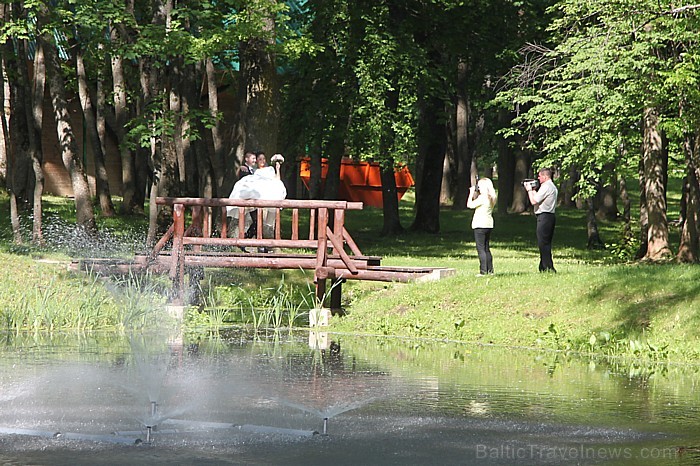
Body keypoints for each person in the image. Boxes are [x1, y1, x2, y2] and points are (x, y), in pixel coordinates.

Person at [525, 167, 558, 272]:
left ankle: (548, 267)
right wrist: (534, 189)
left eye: (539, 176)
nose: (538, 178)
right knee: (545, 242)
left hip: (544, 216)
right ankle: (543, 266)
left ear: (545, 176)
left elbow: (534, 201)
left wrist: (529, 190)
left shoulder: (546, 187)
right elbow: (538, 198)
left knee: (543, 243)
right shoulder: (550, 186)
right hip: (549, 216)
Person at [467, 177, 496, 276]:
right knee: (486, 248)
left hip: (480, 224)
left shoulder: (483, 197)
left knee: (481, 248)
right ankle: (490, 270)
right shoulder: (492, 198)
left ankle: (483, 271)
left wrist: (471, 193)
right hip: (488, 224)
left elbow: (470, 205)